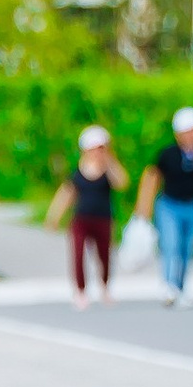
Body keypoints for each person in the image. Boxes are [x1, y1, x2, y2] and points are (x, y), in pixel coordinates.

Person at [136, 107, 193, 298]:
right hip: (169, 205)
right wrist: (143, 208)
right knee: (171, 244)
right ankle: (168, 285)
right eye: (190, 131)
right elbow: (152, 178)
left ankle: (180, 287)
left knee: (188, 248)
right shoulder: (168, 154)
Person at [45, 124, 127, 298]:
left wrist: (109, 160)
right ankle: (81, 291)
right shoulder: (78, 172)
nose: (97, 152)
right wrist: (54, 216)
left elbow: (122, 183)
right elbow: (66, 194)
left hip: (103, 219)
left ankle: (104, 286)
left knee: (104, 255)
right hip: (81, 219)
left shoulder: (108, 171)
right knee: (78, 254)